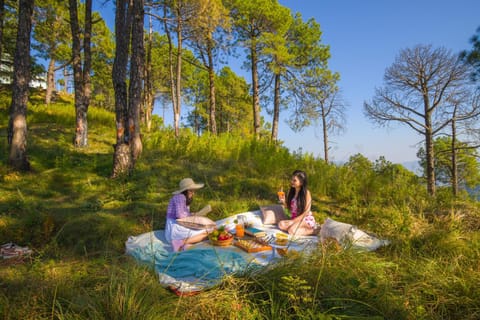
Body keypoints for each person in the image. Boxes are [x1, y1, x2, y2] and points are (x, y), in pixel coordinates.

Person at [165, 178, 210, 251]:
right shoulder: (180, 197)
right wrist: (194, 216)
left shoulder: (183, 198)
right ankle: (180, 242)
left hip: (177, 225)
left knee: (207, 232)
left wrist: (193, 214)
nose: (193, 193)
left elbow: (183, 213)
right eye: (191, 191)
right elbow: (180, 216)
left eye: (193, 191)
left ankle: (183, 244)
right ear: (185, 191)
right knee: (207, 233)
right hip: (175, 227)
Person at [277, 170, 316, 236]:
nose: (292, 182)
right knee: (281, 224)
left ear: (301, 182)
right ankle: (296, 228)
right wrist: (283, 201)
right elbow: (290, 208)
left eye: (294, 180)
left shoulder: (306, 193)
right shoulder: (291, 191)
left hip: (304, 219)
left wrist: (293, 221)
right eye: (292, 179)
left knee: (291, 231)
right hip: (295, 219)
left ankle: (314, 230)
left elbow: (306, 212)